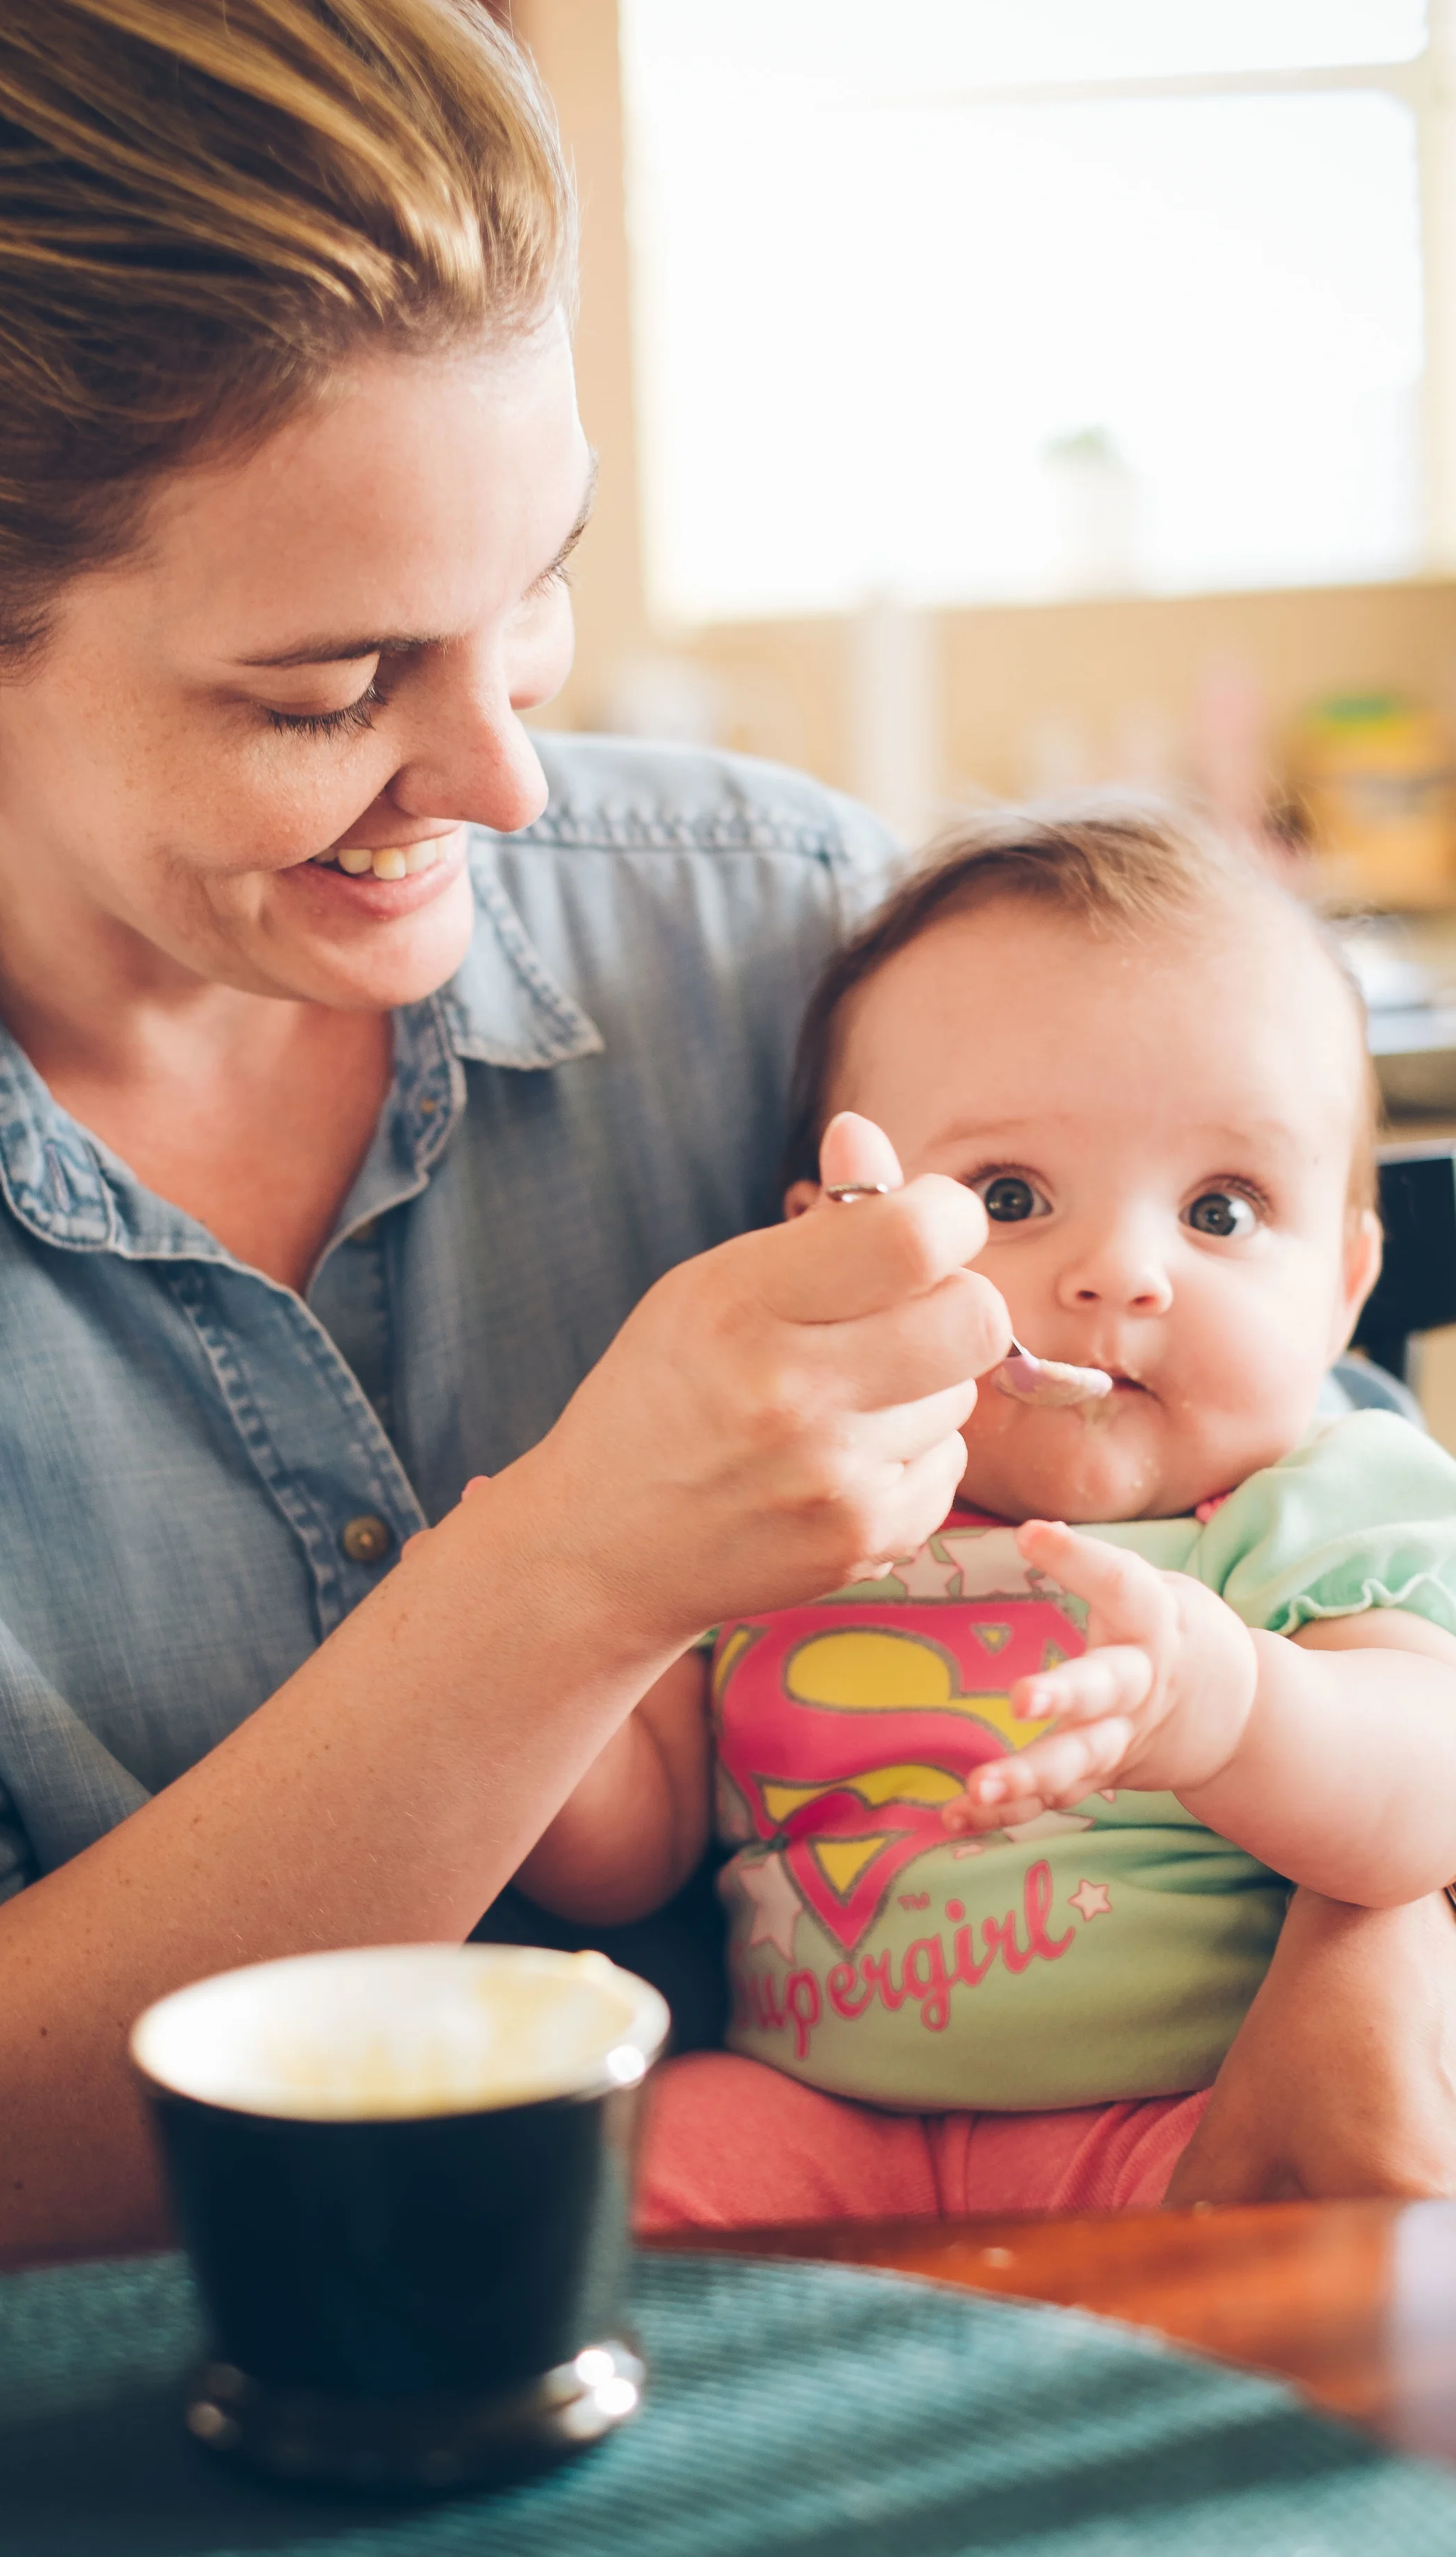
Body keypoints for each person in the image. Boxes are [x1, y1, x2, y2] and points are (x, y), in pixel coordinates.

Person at [0, 1, 1448, 2263]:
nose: (510, 786)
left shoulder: (799, 935)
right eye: (331, 688)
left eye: (536, 588)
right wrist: (565, 1586)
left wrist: (1380, 1947)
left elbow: (1315, 1518)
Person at [515, 807, 1456, 2225]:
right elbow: (625, 1854)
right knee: (585, 2203)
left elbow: (1421, 1800)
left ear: (1341, 1283)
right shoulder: (783, 1505)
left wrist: (1229, 1706)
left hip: (1188, 2118)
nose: (1119, 1272)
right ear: (834, 1247)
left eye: (1217, 1210)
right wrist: (548, 1619)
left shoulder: (1305, 1500)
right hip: (815, 2119)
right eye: (1010, 1196)